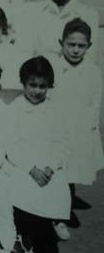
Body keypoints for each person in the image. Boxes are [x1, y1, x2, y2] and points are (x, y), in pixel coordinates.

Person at [3, 57, 71, 253]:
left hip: (47, 162)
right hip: (23, 163)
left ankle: (48, 226)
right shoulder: (15, 109)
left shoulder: (55, 109)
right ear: (23, 83)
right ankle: (24, 236)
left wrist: (52, 166)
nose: (37, 91)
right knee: (24, 188)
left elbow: (61, 142)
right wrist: (30, 169)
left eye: (42, 86)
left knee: (56, 185)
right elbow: (12, 144)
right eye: (32, 85)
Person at [49, 19, 104, 186]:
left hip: (80, 127)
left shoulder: (93, 71)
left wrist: (91, 126)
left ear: (89, 45)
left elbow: (95, 101)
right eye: (71, 44)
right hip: (58, 124)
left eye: (81, 46)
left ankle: (69, 198)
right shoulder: (54, 67)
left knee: (75, 167)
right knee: (57, 166)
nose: (75, 50)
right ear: (61, 43)